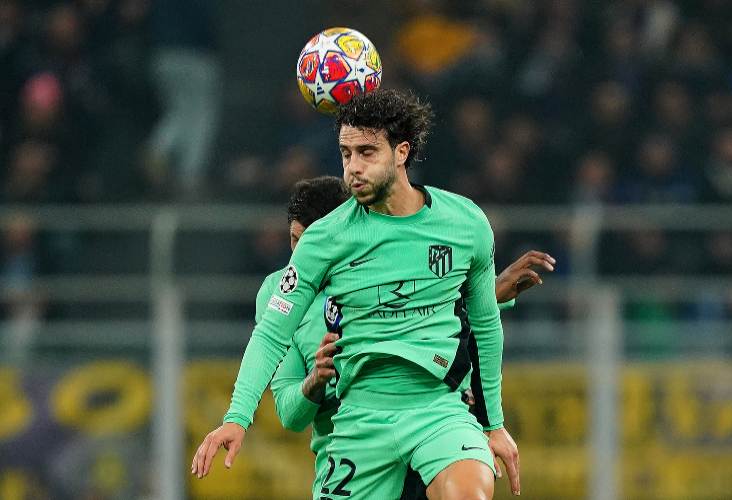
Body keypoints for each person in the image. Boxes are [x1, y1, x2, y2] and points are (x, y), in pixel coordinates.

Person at [192, 88, 520, 499]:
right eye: (346, 154)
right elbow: (272, 333)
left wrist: (493, 424)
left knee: (468, 493)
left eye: (367, 152)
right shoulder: (325, 238)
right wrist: (237, 417)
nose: (353, 168)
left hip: (438, 410)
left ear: (401, 152)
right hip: (359, 419)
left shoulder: (465, 223)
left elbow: (486, 327)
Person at [260, 176, 555, 498]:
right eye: (295, 241)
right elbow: (290, 415)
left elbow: (426, 320)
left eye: (315, 244)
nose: (303, 259)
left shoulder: (382, 268)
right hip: (355, 456)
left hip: (426, 434)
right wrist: (315, 380)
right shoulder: (280, 294)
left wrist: (483, 293)